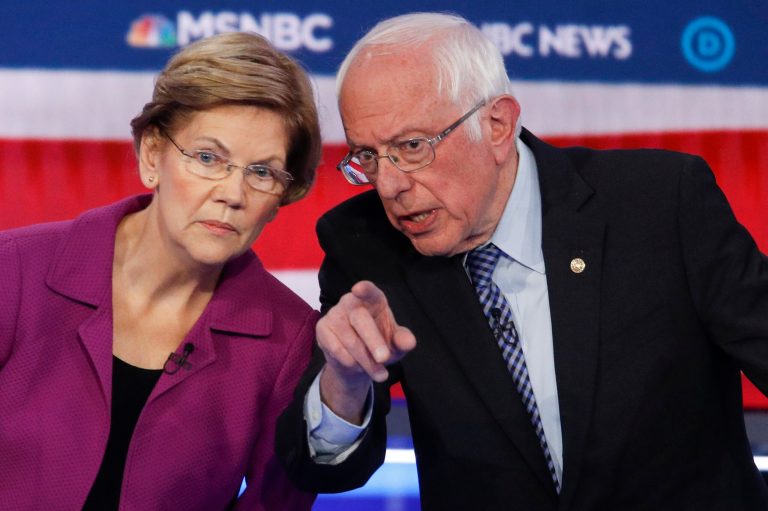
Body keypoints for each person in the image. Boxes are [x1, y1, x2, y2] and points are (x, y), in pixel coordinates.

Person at [275, 12, 768, 511]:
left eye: (411, 147)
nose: (390, 185)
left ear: (496, 125)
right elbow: (320, 468)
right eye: (367, 156)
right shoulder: (365, 245)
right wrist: (346, 381)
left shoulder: (660, 202)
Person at [0, 32, 321, 510]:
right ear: (153, 155)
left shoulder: (289, 341)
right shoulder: (16, 270)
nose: (233, 193)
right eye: (210, 158)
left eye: (262, 172)